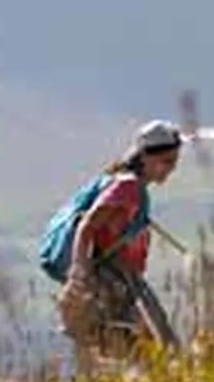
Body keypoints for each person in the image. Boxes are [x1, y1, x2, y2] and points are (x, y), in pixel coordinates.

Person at [51, 122, 186, 360]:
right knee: (158, 350)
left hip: (126, 281)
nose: (171, 169)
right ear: (145, 157)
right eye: (166, 162)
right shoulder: (127, 187)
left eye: (174, 162)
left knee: (148, 349)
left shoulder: (133, 188)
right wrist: (78, 275)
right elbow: (87, 226)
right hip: (115, 279)